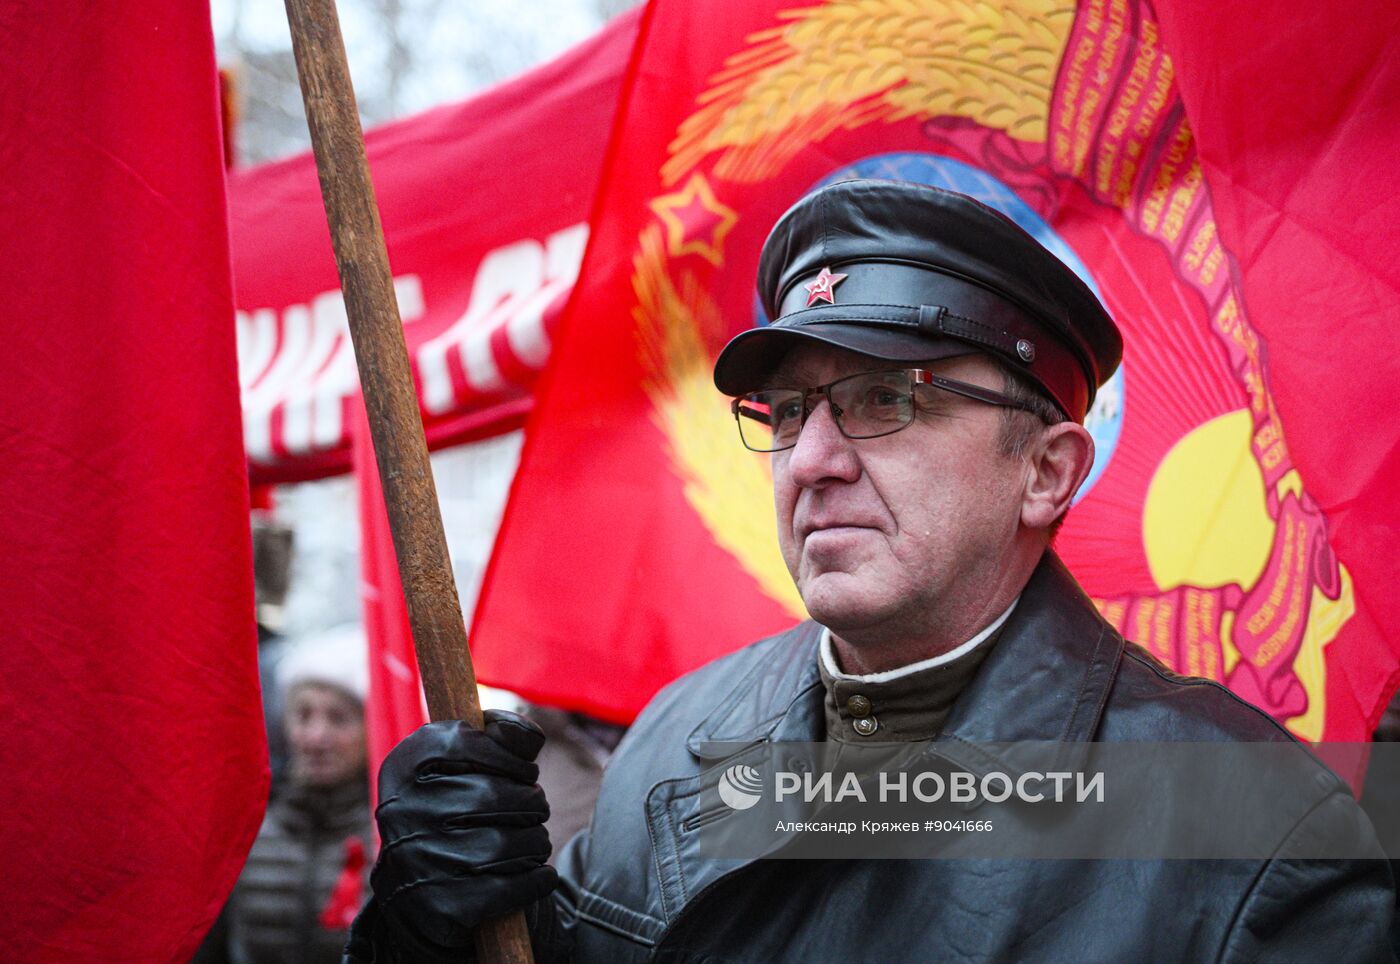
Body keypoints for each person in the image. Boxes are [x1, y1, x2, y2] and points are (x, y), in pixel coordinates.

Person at [346, 180, 1396, 961]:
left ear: (1044, 470)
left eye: (885, 400)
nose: (810, 461)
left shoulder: (1250, 828)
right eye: (791, 410)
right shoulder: (680, 736)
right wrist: (422, 922)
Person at [221, 624, 375, 964]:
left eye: (339, 719)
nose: (316, 736)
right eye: (303, 715)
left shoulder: (391, 836)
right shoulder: (246, 823)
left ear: (371, 729)